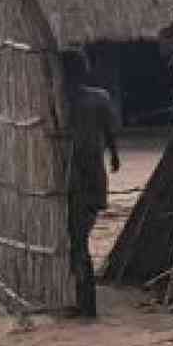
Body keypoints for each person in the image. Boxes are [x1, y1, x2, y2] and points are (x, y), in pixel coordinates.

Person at [57, 49, 120, 318]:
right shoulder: (99, 98)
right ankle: (83, 300)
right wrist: (115, 156)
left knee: (78, 241)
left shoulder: (61, 101)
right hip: (92, 175)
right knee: (79, 239)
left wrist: (114, 154)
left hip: (73, 177)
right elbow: (110, 132)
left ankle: (87, 304)